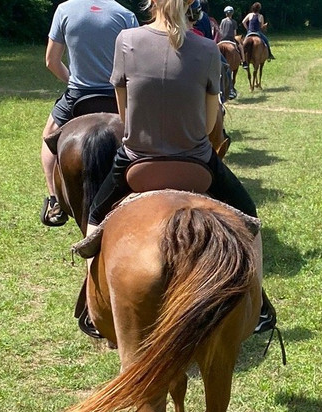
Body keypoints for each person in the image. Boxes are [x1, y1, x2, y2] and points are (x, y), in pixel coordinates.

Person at [73, 0, 276, 334]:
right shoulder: (209, 50)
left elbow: (125, 118)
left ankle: (89, 302)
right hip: (196, 163)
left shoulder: (125, 40)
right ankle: (259, 303)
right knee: (248, 216)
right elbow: (210, 123)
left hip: (136, 162)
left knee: (95, 219)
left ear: (151, 2)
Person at [40, 0, 138, 227]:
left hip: (78, 96)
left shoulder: (64, 10)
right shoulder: (125, 15)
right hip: (116, 96)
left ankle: (55, 200)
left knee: (48, 138)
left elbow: (51, 61)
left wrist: (72, 81)